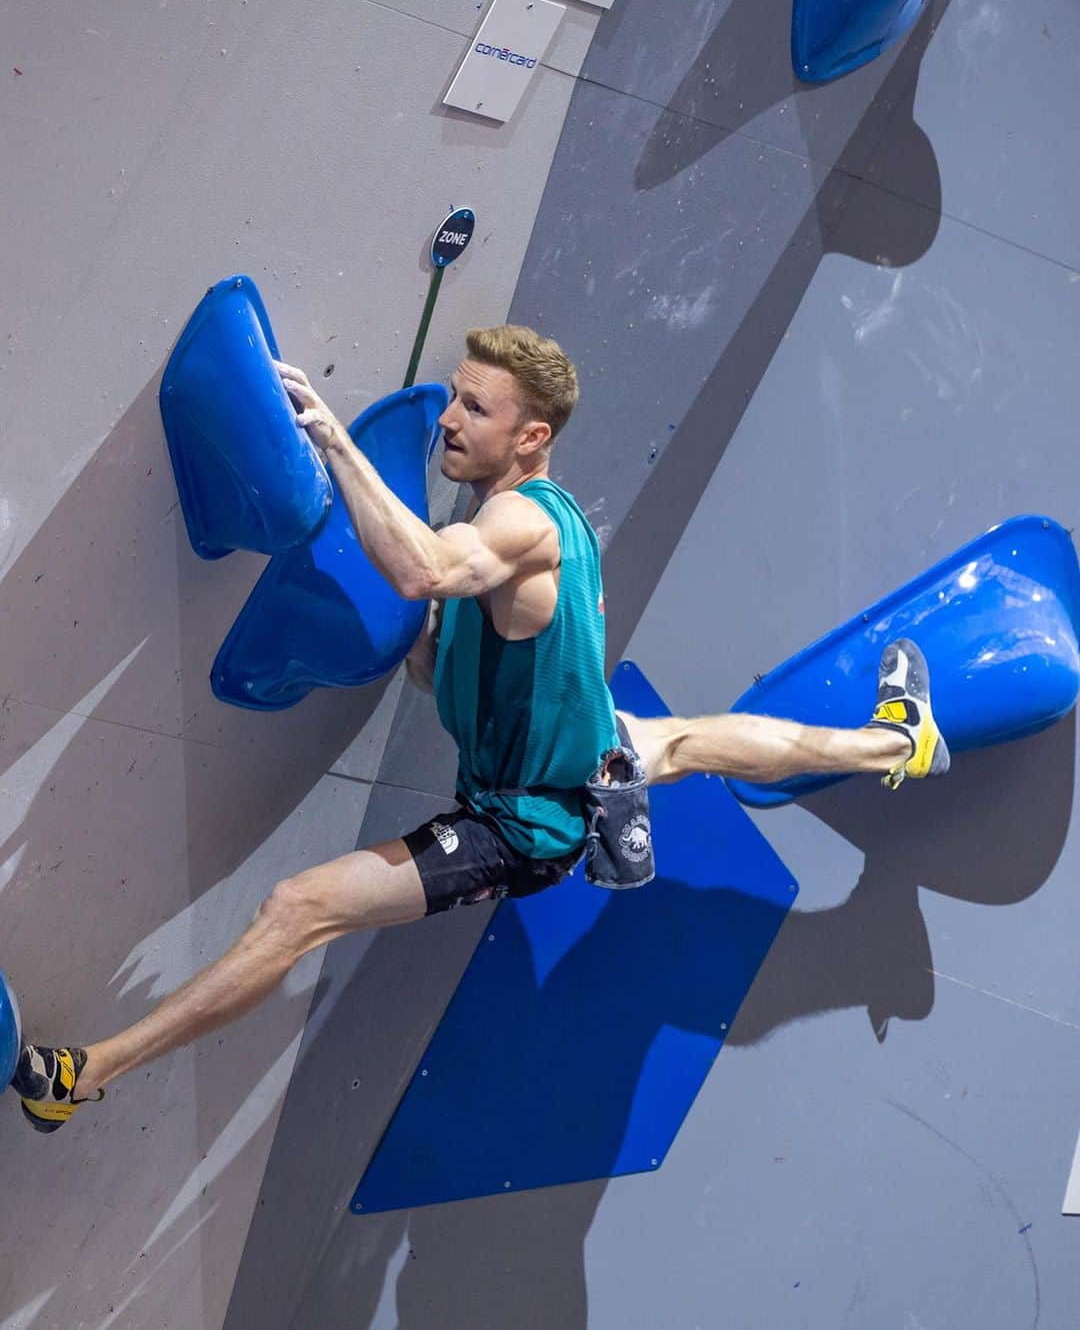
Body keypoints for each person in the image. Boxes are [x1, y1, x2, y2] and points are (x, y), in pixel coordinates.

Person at [11, 325, 949, 1131]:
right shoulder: (520, 524)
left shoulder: (525, 527)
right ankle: (898, 739)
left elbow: (422, 570)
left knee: (298, 910)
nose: (452, 419)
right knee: (692, 741)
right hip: (588, 757)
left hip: (523, 824)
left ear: (532, 436)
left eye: (476, 409)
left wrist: (336, 444)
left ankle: (82, 1078)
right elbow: (445, 646)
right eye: (453, 398)